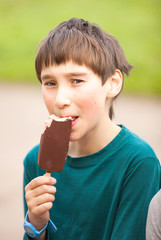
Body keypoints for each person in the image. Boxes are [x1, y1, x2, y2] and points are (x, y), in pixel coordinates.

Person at [23, 17, 160, 240]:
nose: (60, 100)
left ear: (113, 83)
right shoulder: (35, 162)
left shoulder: (138, 163)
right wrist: (35, 225)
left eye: (76, 80)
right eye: (49, 83)